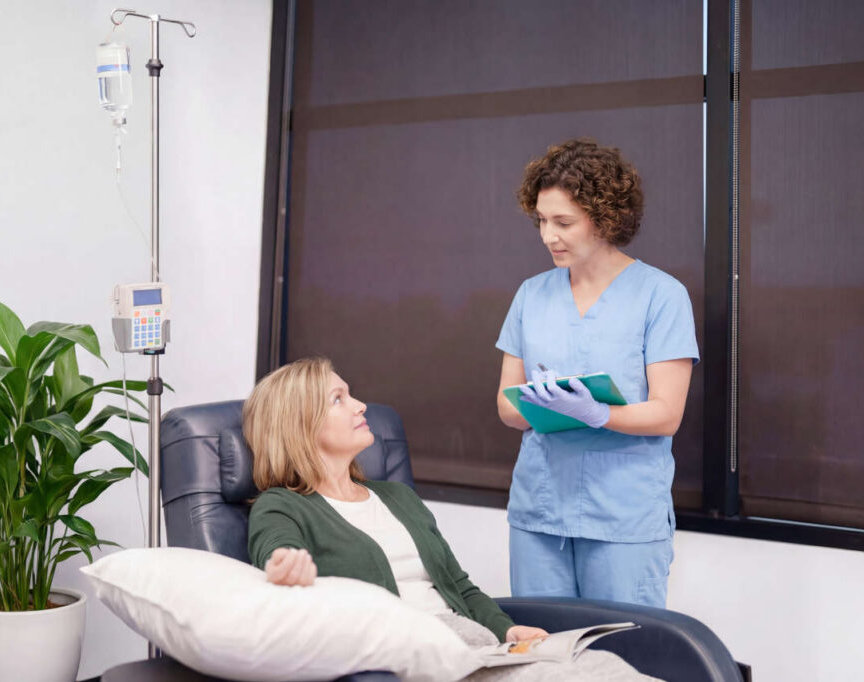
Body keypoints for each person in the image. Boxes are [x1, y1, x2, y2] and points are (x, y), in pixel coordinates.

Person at [244, 356, 659, 681]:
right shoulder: (282, 506)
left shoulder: (396, 496)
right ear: (300, 424)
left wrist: (509, 632)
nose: (359, 405)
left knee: (606, 669)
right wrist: (285, 565)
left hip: (474, 644)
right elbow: (274, 550)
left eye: (350, 394)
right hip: (421, 657)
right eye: (338, 399)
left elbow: (458, 585)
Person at [496, 139, 699, 608]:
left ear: (605, 217)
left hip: (623, 518)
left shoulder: (661, 296)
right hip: (539, 512)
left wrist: (596, 413)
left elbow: (667, 414)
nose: (549, 236)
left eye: (564, 222)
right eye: (542, 221)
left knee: (621, 659)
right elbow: (506, 404)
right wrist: (538, 405)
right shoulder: (531, 294)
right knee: (541, 658)